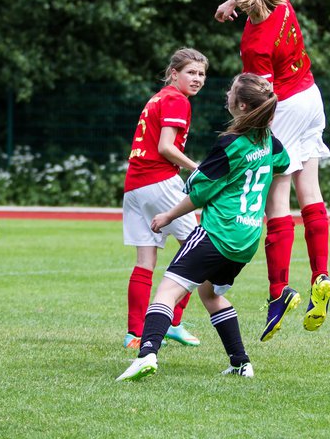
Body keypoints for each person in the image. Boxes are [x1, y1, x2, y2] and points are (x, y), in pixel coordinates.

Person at [117, 74, 289, 382]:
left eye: (230, 90)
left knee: (167, 292)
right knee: (210, 294)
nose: (226, 93)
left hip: (218, 232)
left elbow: (198, 190)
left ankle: (146, 355)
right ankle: (241, 362)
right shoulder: (271, 142)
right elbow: (283, 164)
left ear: (241, 105)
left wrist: (167, 216)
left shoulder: (230, 144)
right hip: (247, 238)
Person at [214, 0, 330, 340]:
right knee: (310, 191)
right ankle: (321, 275)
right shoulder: (282, 1)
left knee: (276, 200)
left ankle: (278, 291)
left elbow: (259, 95)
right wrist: (230, 2)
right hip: (312, 98)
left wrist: (245, 129)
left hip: (283, 107)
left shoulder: (254, 44)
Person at [122, 48, 209, 349]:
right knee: (199, 251)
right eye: (191, 73)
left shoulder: (157, 97)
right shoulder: (176, 99)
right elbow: (166, 147)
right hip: (159, 181)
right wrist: (199, 169)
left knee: (145, 260)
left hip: (134, 185)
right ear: (174, 74)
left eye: (201, 74)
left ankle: (134, 333)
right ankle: (172, 321)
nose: (197, 79)